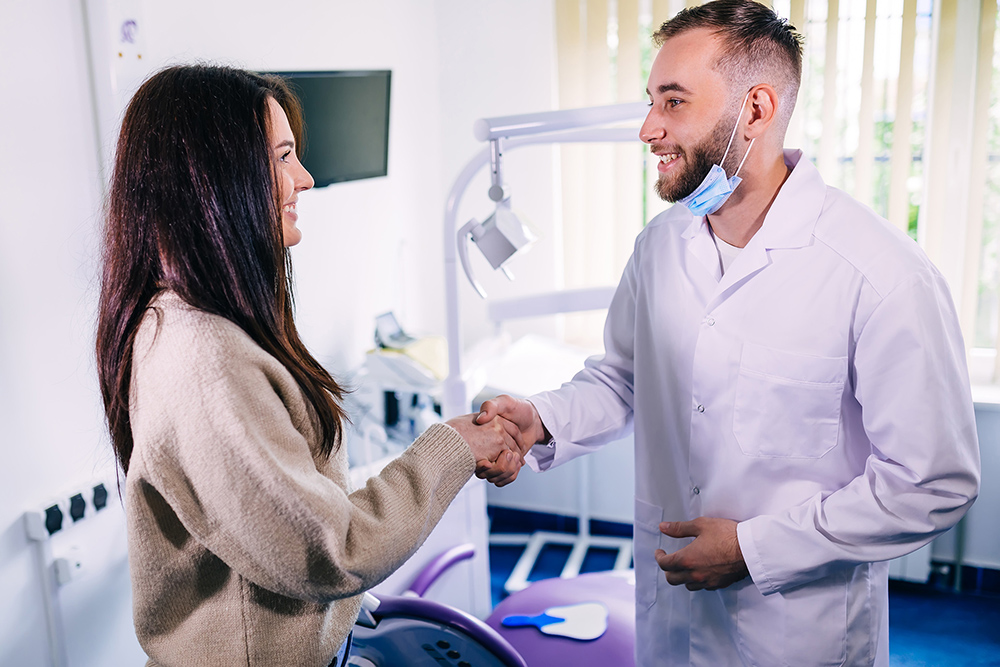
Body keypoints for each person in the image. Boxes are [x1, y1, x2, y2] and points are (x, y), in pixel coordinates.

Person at [476, 1, 981, 665]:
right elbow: (624, 377)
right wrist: (541, 417)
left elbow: (932, 481)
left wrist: (754, 548)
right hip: (671, 619)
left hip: (800, 634)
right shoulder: (659, 247)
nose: (648, 128)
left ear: (757, 110)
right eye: (651, 100)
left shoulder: (882, 274)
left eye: (674, 102)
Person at [96, 64, 522, 667]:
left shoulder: (201, 321)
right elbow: (329, 549)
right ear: (215, 180)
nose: (305, 178)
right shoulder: (203, 357)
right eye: (283, 156)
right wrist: (451, 447)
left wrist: (340, 613)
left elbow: (277, 531)